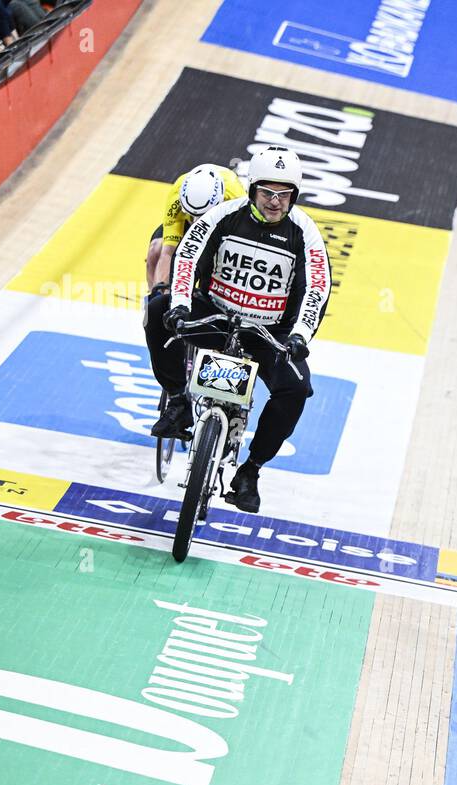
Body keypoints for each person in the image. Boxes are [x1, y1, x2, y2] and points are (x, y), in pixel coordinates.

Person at [146, 146, 331, 515]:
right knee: (156, 309)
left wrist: (300, 336)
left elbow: (318, 287)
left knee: (296, 389)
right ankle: (179, 402)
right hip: (215, 316)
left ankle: (251, 471)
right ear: (252, 190)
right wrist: (181, 305)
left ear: (295, 195)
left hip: (268, 333)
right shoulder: (222, 216)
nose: (276, 202)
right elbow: (187, 256)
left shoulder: (305, 234)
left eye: (285, 195)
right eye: (267, 193)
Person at [145, 163, 246, 294]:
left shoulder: (236, 201)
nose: (197, 222)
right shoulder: (176, 194)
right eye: (194, 216)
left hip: (220, 225)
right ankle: (151, 301)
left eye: (201, 216)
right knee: (156, 249)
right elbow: (168, 253)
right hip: (186, 220)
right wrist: (160, 293)